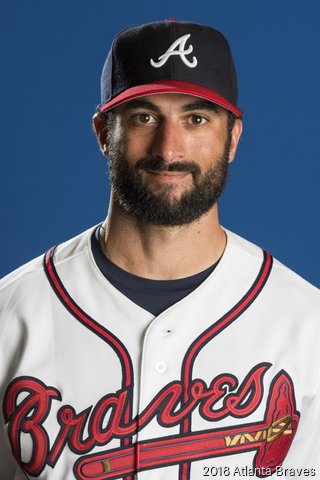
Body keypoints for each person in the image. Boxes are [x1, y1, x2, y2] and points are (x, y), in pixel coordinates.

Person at [0, 20, 319, 480]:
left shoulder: (309, 328)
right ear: (102, 133)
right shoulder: (12, 314)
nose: (169, 149)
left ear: (232, 138)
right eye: (144, 117)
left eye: (196, 119)